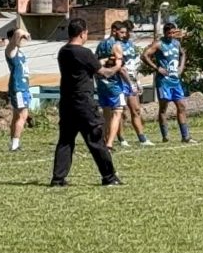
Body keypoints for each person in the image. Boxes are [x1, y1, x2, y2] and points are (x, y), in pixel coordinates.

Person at [51, 18, 122, 187]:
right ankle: (109, 177)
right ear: (82, 33)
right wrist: (118, 64)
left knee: (66, 140)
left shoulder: (63, 51)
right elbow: (104, 73)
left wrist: (100, 62)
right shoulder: (84, 52)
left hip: (67, 102)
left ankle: (58, 179)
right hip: (84, 102)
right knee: (95, 139)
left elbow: (86, 66)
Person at [142, 23, 195, 144]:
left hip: (175, 80)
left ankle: (185, 136)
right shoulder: (159, 44)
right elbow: (144, 56)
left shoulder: (176, 43)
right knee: (163, 108)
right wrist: (157, 68)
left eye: (173, 33)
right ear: (165, 33)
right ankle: (165, 136)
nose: (171, 35)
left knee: (181, 106)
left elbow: (183, 53)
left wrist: (181, 67)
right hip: (163, 81)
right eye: (169, 33)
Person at [115, 20, 153, 147]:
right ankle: (121, 138)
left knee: (136, 109)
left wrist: (137, 81)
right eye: (128, 31)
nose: (130, 34)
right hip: (121, 80)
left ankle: (142, 138)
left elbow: (134, 65)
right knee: (121, 111)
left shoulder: (131, 44)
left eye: (131, 31)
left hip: (132, 79)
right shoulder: (116, 45)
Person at [95, 22, 128, 150]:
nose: (124, 35)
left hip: (101, 83)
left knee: (106, 114)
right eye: (122, 32)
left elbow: (96, 62)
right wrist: (130, 84)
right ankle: (109, 143)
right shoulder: (116, 45)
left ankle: (103, 140)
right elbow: (121, 68)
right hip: (114, 84)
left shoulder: (101, 44)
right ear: (114, 31)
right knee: (117, 112)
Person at [6, 28, 33, 151]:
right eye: (20, 38)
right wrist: (24, 33)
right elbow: (18, 33)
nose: (22, 39)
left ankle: (13, 142)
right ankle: (15, 145)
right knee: (22, 115)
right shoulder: (11, 50)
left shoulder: (19, 51)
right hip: (18, 88)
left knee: (17, 115)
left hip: (23, 86)